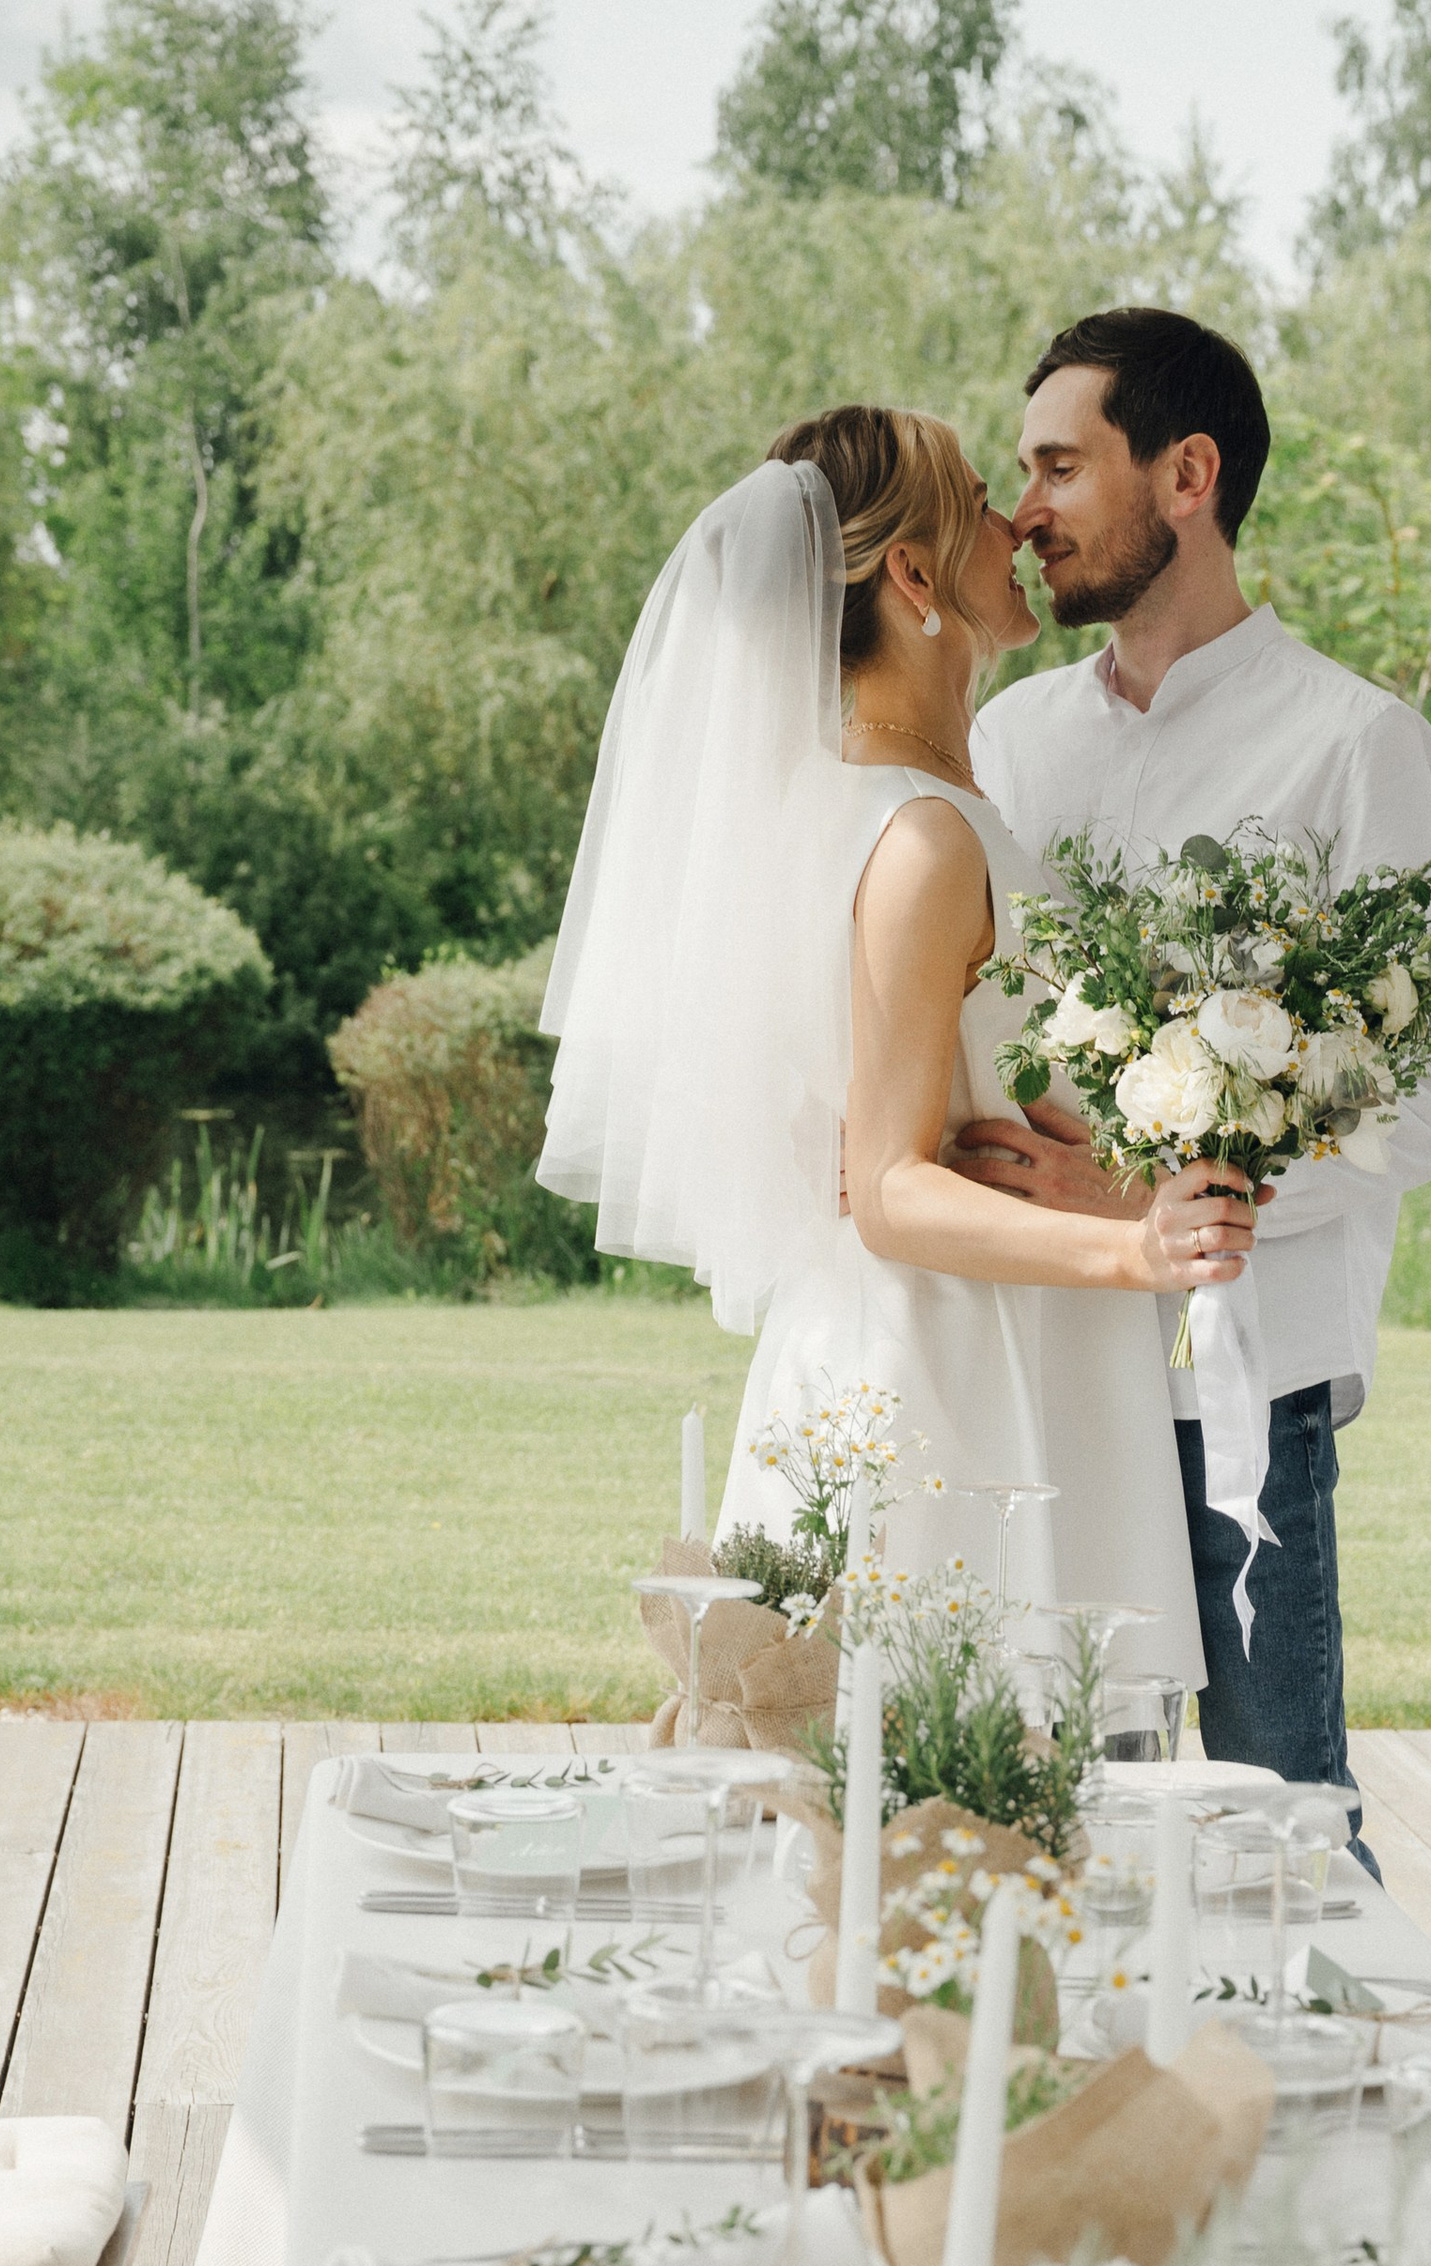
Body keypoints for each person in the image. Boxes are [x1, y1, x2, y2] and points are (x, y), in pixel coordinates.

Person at [535, 405, 1257, 1696]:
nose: (1017, 523)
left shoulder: (909, 813)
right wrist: (1133, 1247)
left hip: (980, 1344)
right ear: (916, 578)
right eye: (982, 498)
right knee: (924, 1812)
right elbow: (888, 1187)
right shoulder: (919, 841)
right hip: (942, 1385)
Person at [962, 306, 1431, 1848]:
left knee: (1282, 1828)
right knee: (1068, 1827)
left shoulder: (1357, 746)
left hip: (1251, 1382)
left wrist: (1170, 1197)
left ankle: (1340, 2083)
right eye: (1022, 472)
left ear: (1187, 473)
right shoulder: (1008, 743)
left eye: (1061, 467)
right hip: (1044, 1371)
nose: (1026, 513)